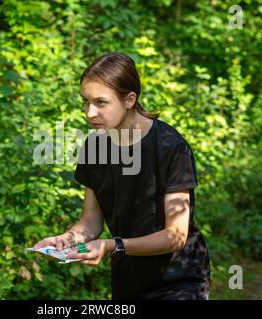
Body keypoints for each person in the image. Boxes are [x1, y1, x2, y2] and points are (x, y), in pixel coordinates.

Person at [33, 52, 210, 300]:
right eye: (86, 101)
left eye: (101, 102)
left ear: (129, 99)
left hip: (179, 280)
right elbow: (91, 222)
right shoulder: (94, 147)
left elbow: (176, 236)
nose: (89, 113)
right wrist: (66, 240)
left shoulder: (171, 147)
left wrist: (113, 245)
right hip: (128, 280)